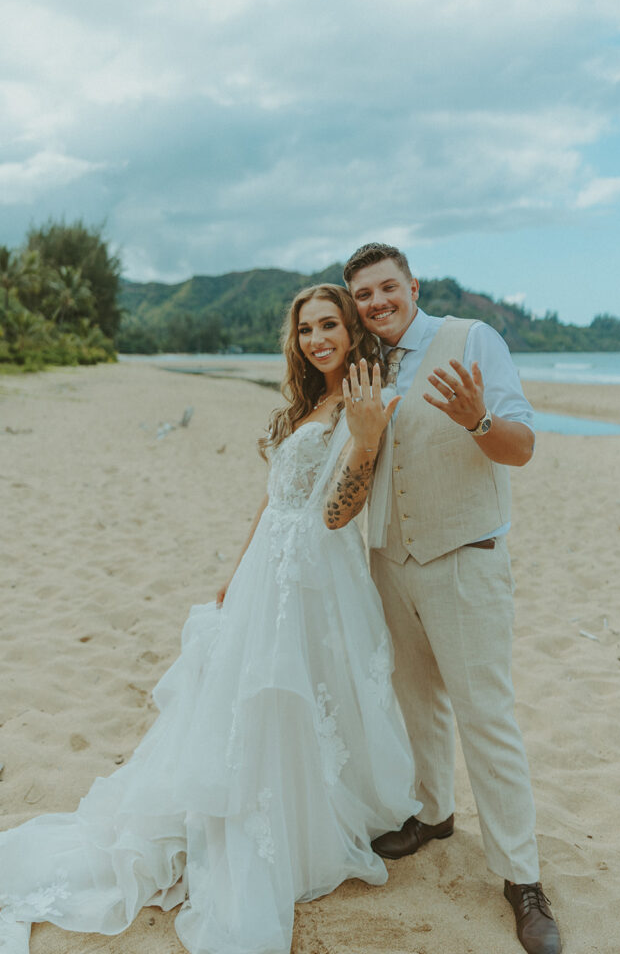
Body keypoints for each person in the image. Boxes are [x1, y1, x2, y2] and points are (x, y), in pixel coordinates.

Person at [0, 284, 419, 954]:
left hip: (315, 577)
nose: (316, 339)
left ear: (351, 332)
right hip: (267, 573)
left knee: (300, 696)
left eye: (329, 326)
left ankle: (300, 817)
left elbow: (338, 512)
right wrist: (237, 569)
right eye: (306, 328)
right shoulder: (307, 401)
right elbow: (273, 495)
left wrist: (365, 443)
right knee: (247, 699)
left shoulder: (366, 401)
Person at [343, 243, 562, 954]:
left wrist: (475, 420)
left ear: (411, 286)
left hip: (464, 559)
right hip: (390, 560)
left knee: (485, 718)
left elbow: (522, 448)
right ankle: (434, 815)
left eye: (385, 288)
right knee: (415, 703)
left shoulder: (471, 338)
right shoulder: (364, 364)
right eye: (363, 295)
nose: (376, 303)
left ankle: (521, 878)